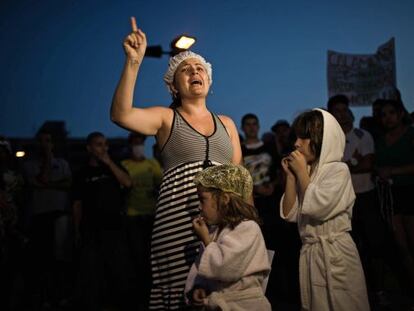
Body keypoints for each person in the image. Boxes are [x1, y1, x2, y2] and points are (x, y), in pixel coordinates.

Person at [110, 17, 242, 309]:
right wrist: (134, 62)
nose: (194, 71)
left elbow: (240, 182)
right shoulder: (166, 117)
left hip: (224, 224)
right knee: (180, 293)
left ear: (208, 79)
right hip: (176, 224)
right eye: (185, 69)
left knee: (223, 293)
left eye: (199, 68)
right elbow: (121, 115)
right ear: (174, 86)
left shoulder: (228, 125)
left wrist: (246, 226)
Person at [280, 109, 369, 310]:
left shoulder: (339, 170)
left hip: (336, 253)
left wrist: (301, 172)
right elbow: (290, 214)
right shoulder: (306, 172)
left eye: (304, 137)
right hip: (312, 253)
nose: (296, 143)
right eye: (296, 137)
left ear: (322, 139)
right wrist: (292, 177)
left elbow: (317, 207)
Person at [185, 164, 271, 310]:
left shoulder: (248, 228)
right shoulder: (215, 231)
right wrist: (200, 287)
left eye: (202, 199)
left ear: (224, 198)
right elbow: (203, 268)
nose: (199, 207)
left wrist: (206, 240)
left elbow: (225, 269)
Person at [72, 132, 133, 311]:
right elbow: (77, 204)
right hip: (91, 229)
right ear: (89, 148)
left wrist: (109, 163)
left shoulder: (114, 166)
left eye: (105, 144)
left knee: (119, 269)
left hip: (115, 228)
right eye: (99, 144)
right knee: (93, 273)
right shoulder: (81, 173)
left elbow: (128, 183)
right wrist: (76, 231)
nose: (103, 148)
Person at [375, 99, 414, 302]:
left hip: (411, 191)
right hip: (390, 197)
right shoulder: (381, 140)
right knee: (402, 246)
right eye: (383, 115)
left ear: (400, 114)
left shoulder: (410, 134)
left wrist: (394, 171)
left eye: (391, 113)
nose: (387, 118)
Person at [121, 132, 162, 310]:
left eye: (141, 142)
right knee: (136, 257)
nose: (138, 145)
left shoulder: (152, 164)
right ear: (130, 144)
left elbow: (161, 185)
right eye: (135, 142)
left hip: (151, 214)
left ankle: (150, 293)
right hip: (132, 215)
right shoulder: (124, 165)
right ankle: (137, 296)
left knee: (151, 257)